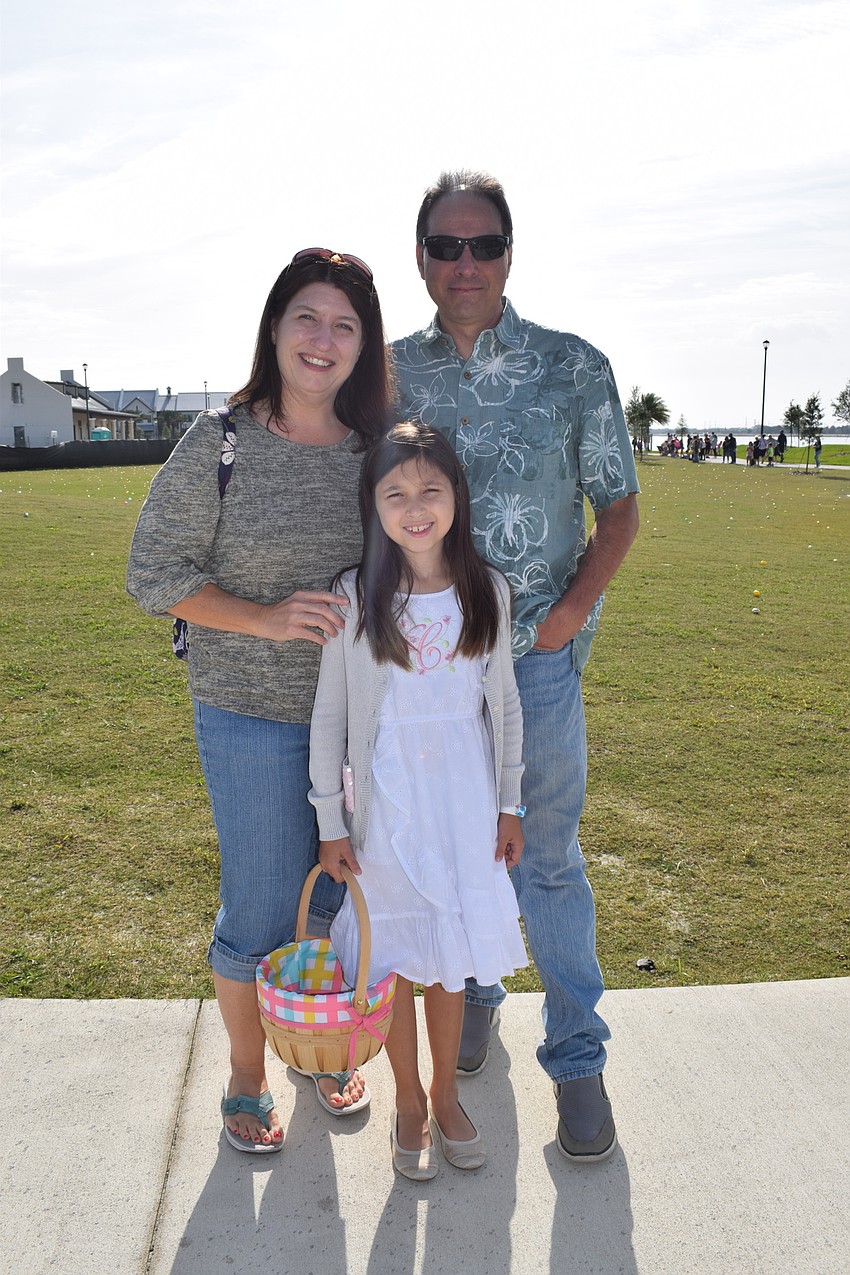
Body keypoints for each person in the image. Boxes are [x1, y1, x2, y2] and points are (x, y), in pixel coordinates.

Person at [392, 171, 640, 1164]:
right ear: (420, 257)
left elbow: (617, 505)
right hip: (427, 669)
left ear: (508, 253)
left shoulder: (573, 367)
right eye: (444, 247)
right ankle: (478, 995)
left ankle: (577, 1060)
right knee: (457, 845)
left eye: (482, 245)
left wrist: (570, 612)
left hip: (534, 657)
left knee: (543, 856)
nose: (464, 264)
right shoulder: (391, 374)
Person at [127, 248, 394, 1152]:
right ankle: (247, 1076)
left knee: (328, 903)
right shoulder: (223, 441)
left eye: (344, 326)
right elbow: (154, 574)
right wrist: (268, 620)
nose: (323, 341)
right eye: (307, 319)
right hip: (247, 714)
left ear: (364, 346)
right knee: (257, 906)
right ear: (275, 328)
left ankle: (317, 1050)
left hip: (356, 725)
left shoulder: (373, 452)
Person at [309, 422, 527, 1180]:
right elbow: (330, 717)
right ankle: (407, 1100)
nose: (415, 506)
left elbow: (503, 705)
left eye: (431, 489)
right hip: (387, 813)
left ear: (456, 499)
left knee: (450, 961)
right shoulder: (354, 596)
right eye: (396, 493)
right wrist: (330, 821)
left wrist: (511, 803)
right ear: (375, 506)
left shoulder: (486, 591)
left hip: (463, 805)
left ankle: (446, 1093)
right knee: (395, 958)